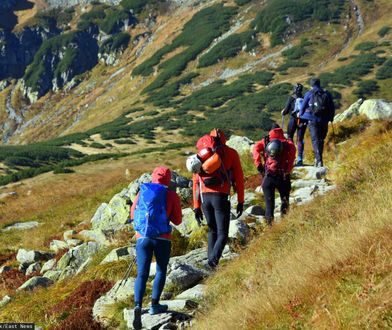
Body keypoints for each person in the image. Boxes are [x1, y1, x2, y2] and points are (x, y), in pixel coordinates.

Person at [130, 166, 182, 330]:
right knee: (160, 270)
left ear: (152, 177)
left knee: (142, 273)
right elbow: (178, 220)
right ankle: (154, 305)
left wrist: (142, 231)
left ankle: (138, 306)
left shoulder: (142, 192)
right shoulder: (171, 195)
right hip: (162, 239)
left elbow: (133, 214)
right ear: (168, 179)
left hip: (142, 238)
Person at [192, 129, 244, 269]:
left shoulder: (201, 156)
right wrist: (240, 200)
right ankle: (212, 262)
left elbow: (196, 182)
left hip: (204, 197)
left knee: (212, 230)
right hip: (221, 197)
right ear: (224, 139)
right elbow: (239, 178)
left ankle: (211, 264)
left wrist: (196, 206)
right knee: (223, 233)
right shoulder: (231, 153)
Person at [253, 124, 296, 225]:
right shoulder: (287, 143)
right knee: (285, 201)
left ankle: (270, 227)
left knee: (269, 205)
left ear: (271, 131)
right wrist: (288, 169)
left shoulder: (266, 141)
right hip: (283, 177)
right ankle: (284, 224)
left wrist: (258, 164)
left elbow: (255, 149)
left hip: (268, 177)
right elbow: (292, 156)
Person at [299, 78, 335, 167]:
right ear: (319, 84)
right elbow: (332, 107)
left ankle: (318, 160)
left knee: (315, 140)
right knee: (321, 140)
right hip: (324, 120)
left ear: (311, 85)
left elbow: (302, 108)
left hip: (312, 120)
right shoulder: (327, 93)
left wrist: (301, 115)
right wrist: (330, 118)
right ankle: (319, 159)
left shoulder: (309, 94)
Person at [281, 83, 307, 166]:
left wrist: (283, 112)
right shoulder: (304, 98)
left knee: (290, 138)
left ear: (294, 89)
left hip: (293, 120)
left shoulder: (291, 98)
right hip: (303, 120)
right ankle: (300, 158)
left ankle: (291, 157)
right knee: (300, 139)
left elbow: (286, 110)